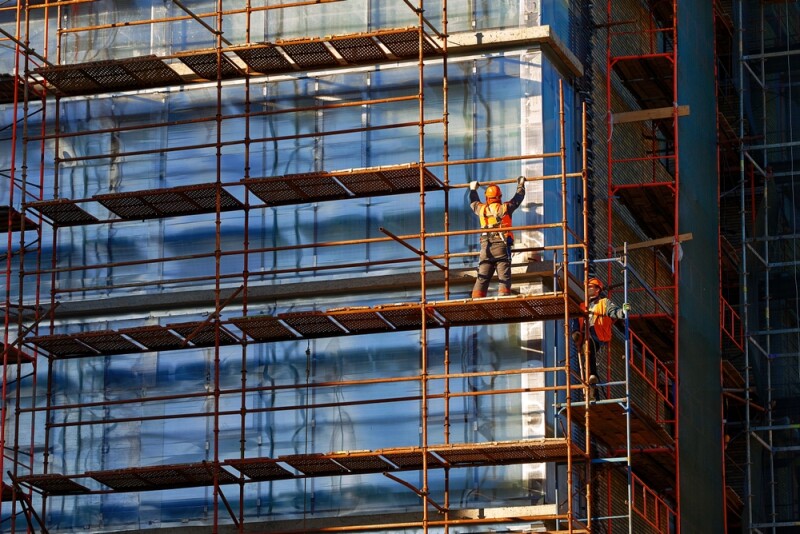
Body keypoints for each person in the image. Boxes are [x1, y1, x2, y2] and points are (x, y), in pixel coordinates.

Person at [468, 176, 526, 298]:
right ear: (499, 197)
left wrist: (473, 189)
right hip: (501, 245)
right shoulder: (505, 208)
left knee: (482, 277)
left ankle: (476, 301)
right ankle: (504, 301)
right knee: (504, 277)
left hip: (486, 248)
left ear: (487, 198)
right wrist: (520, 184)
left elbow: (473, 203)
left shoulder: (482, 209)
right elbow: (518, 198)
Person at [571, 277, 630, 393]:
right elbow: (575, 320)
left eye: (590, 287)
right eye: (587, 287)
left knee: (589, 345)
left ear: (597, 290)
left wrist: (623, 312)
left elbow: (613, 311)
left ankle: (593, 375)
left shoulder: (604, 303)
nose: (587, 289)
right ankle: (592, 387)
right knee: (587, 357)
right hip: (585, 335)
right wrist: (575, 332)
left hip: (597, 334)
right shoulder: (582, 305)